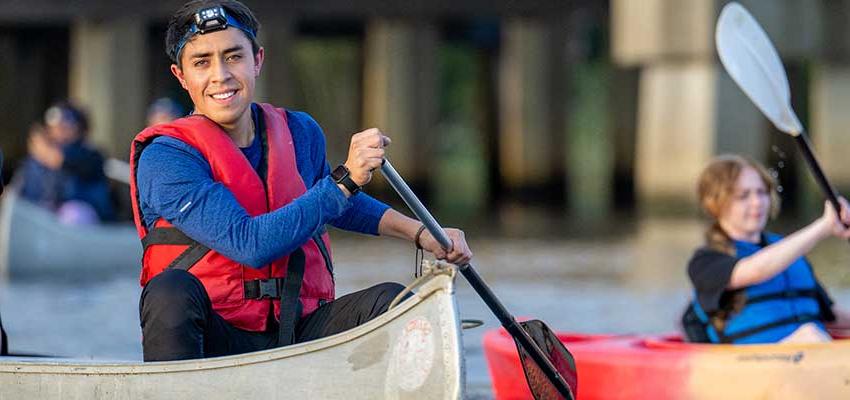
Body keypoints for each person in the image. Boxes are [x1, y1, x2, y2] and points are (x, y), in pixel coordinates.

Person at [130, 0, 473, 362]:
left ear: (257, 60)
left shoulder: (299, 132)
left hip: (297, 333)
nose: (221, 75)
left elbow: (342, 203)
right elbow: (249, 244)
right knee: (170, 291)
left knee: (396, 302)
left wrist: (424, 233)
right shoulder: (166, 157)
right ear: (181, 76)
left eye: (233, 57)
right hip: (217, 340)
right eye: (202, 63)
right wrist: (344, 181)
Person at [683, 155, 850, 344]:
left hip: (812, 351)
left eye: (761, 192)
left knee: (811, 334)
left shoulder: (791, 254)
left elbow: (830, 317)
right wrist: (824, 226)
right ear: (715, 202)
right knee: (809, 334)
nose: (757, 202)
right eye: (743, 196)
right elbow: (756, 270)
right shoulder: (706, 261)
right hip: (755, 362)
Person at [18, 102, 114, 224]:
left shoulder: (91, 155)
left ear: (79, 128)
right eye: (54, 127)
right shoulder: (35, 162)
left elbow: (58, 159)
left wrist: (44, 150)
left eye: (66, 125)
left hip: (90, 225)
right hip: (46, 220)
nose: (58, 130)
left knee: (74, 213)